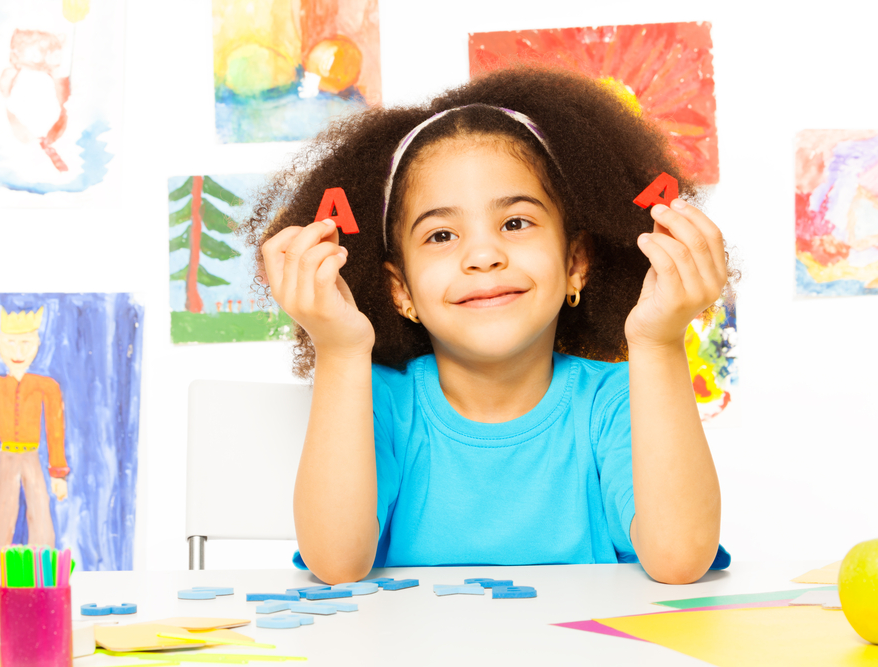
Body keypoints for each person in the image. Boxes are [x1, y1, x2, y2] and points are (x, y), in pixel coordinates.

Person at [243, 66, 737, 585]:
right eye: (440, 235)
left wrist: (659, 345)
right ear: (400, 290)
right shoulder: (377, 403)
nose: (483, 254)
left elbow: (681, 559)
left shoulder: (619, 400)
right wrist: (340, 351)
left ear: (575, 263)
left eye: (515, 223)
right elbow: (335, 563)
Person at [0, 306, 70, 564]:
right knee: (1, 519)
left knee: (41, 518)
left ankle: (45, 574)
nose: (18, 352)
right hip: (6, 459)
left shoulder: (46, 386)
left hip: (32, 458)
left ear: (36, 345)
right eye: (10, 343)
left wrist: (58, 474)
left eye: (26, 344)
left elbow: (55, 429)